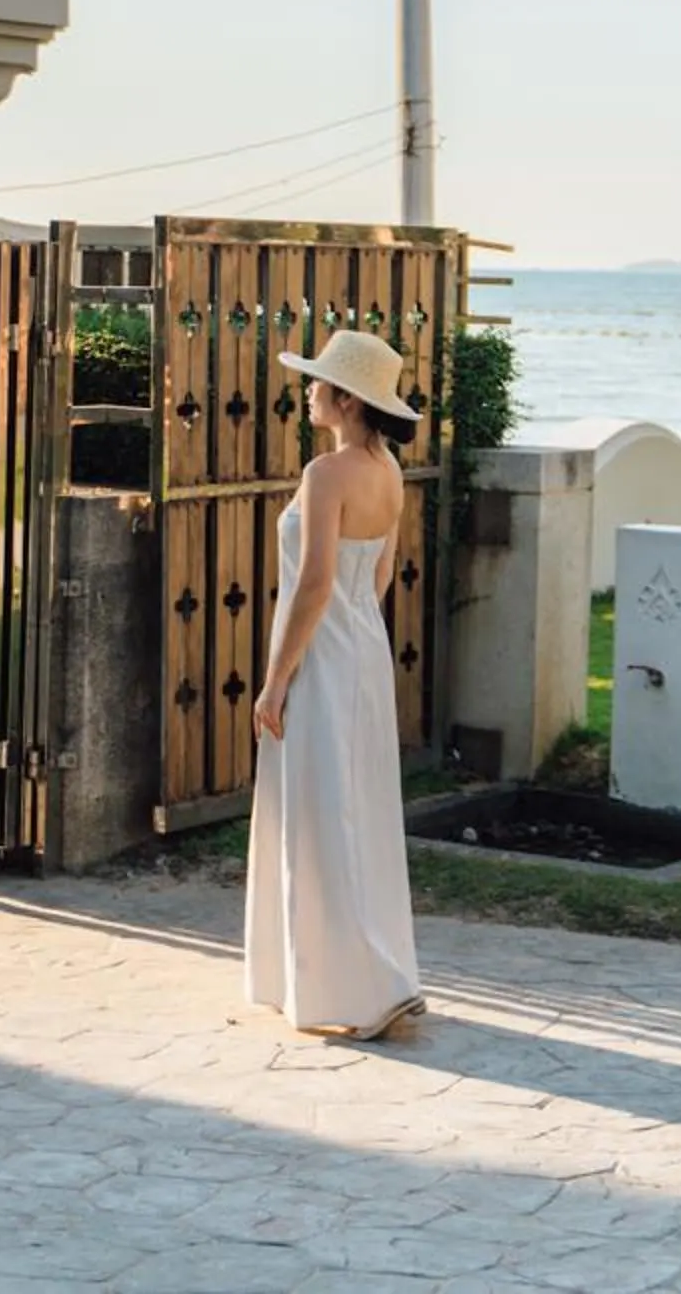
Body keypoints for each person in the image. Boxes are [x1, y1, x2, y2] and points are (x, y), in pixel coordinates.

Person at [244, 324, 427, 1041]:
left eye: (319, 382)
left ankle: (355, 987)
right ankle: (374, 972)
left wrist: (275, 680)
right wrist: (352, 637)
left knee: (321, 810)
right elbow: (377, 577)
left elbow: (315, 583)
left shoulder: (326, 474)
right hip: (364, 650)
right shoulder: (389, 473)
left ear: (347, 399)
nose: (310, 391)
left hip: (322, 656)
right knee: (360, 806)